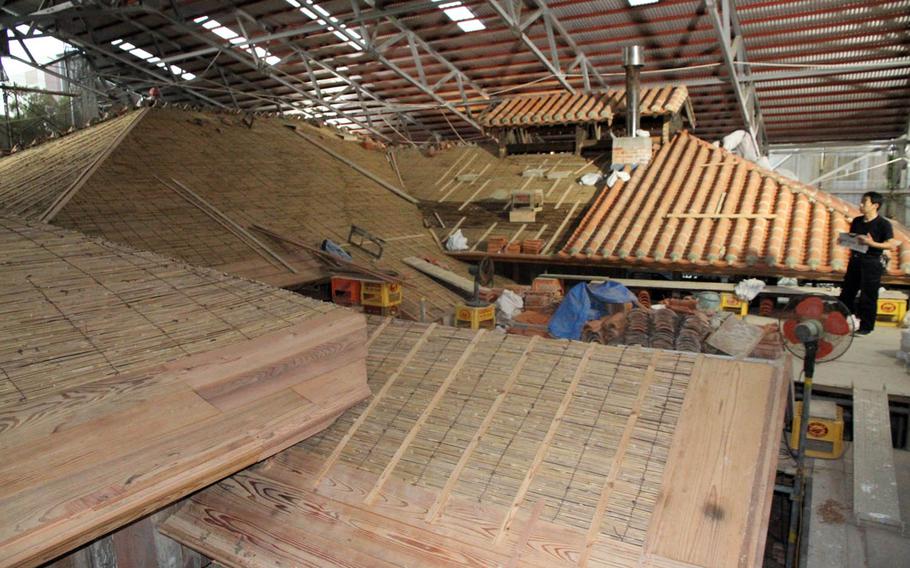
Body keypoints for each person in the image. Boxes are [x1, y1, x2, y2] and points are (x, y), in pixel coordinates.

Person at [838, 191, 895, 335]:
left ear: (875, 205)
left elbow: (890, 244)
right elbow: (854, 239)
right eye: (861, 201)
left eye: (864, 202)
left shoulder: (883, 224)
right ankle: (844, 320)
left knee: (868, 295)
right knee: (847, 292)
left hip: (872, 262)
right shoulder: (857, 221)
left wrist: (872, 243)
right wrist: (845, 240)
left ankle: (866, 326)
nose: (861, 205)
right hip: (855, 260)